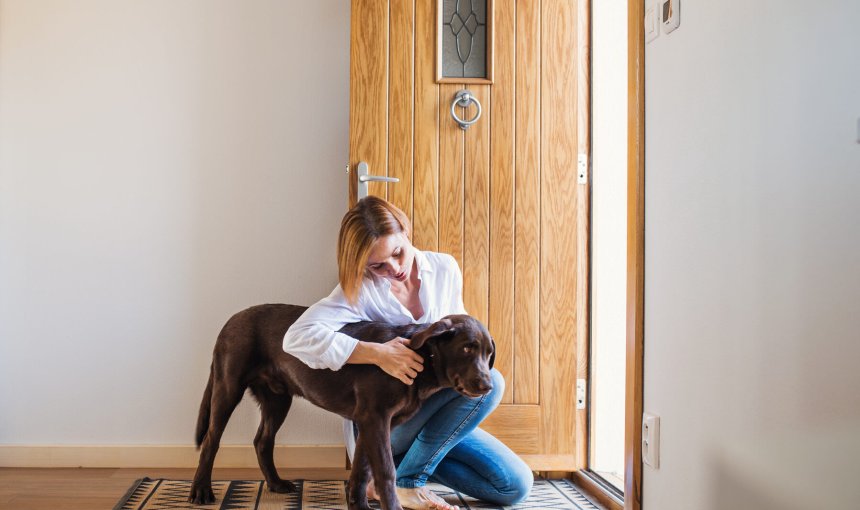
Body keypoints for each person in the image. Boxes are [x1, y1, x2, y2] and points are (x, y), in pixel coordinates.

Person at [283, 196, 533, 510]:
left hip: (433, 415)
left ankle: (397, 469)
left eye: (398, 253)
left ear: (405, 230)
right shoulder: (360, 288)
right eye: (378, 265)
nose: (395, 268)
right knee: (492, 384)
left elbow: (462, 341)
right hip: (384, 421)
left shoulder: (444, 268)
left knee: (514, 486)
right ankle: (405, 482)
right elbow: (296, 337)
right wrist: (375, 353)